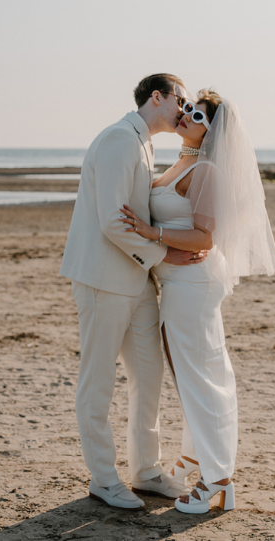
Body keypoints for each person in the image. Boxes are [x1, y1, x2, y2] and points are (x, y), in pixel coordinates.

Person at [121, 89, 275, 514]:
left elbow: (203, 238)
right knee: (194, 376)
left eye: (199, 114)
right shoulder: (181, 161)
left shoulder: (206, 170)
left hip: (193, 283)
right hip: (177, 283)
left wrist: (148, 232)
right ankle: (192, 461)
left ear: (213, 131)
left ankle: (219, 483)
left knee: (203, 381)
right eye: (188, 108)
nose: (187, 115)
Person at [59, 74, 209, 510]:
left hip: (136, 280)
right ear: (156, 97)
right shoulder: (119, 141)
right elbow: (111, 221)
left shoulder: (144, 142)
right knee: (98, 380)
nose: (183, 109)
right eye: (179, 99)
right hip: (103, 279)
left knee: (149, 375)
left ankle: (146, 470)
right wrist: (164, 255)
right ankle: (103, 478)